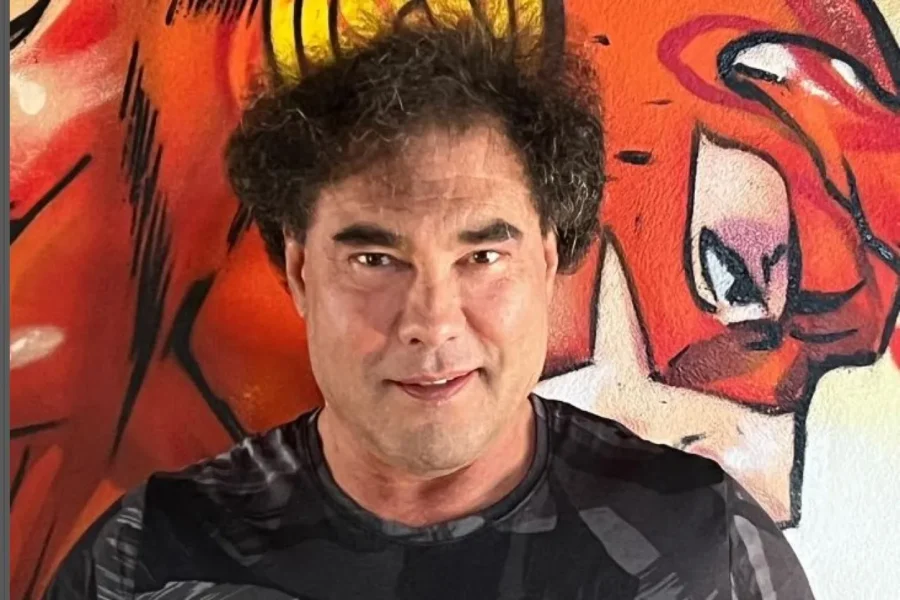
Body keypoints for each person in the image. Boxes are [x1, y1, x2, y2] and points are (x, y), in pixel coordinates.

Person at [44, 24, 815, 600]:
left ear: (548, 262)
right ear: (301, 271)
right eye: (375, 260)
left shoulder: (701, 546)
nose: (433, 321)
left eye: (483, 256)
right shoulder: (146, 561)